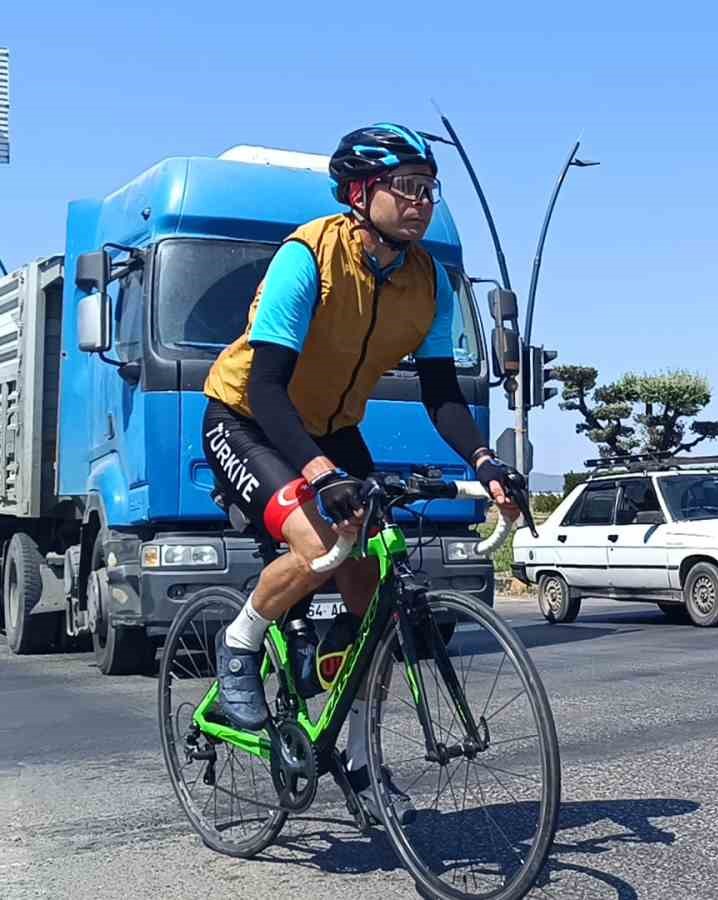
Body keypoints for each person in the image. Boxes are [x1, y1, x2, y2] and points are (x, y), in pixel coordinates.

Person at [199, 122, 523, 823]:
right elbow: (267, 388)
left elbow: (441, 392)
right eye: (406, 187)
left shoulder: (427, 281)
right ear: (359, 192)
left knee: (372, 597)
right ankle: (237, 649)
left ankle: (359, 763)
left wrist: (487, 462)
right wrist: (318, 472)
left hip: (332, 426)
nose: (421, 202)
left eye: (429, 189)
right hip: (249, 417)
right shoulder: (307, 258)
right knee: (320, 544)